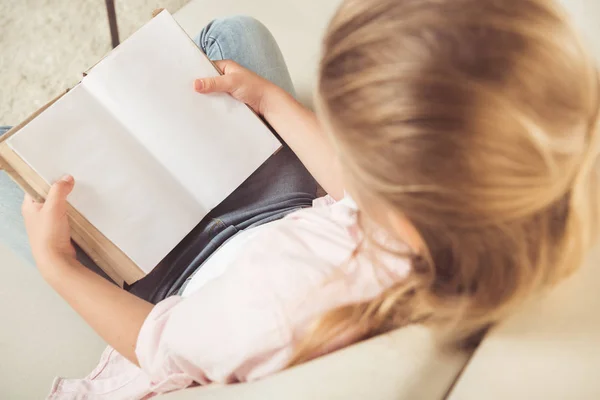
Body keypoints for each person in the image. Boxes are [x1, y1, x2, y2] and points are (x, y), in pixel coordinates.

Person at [1, 0, 598, 397]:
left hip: (172, 286)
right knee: (233, 39)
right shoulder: (491, 219)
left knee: (12, 155)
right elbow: (355, 200)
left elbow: (159, 345)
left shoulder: (273, 316)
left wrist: (59, 267)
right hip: (285, 221)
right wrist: (271, 102)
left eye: (343, 132)